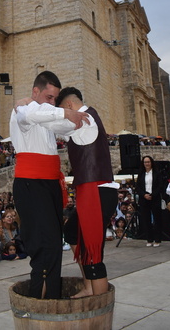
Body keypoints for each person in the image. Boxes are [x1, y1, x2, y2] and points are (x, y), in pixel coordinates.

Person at [10, 71, 89, 299]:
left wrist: (79, 118)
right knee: (44, 248)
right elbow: (34, 113)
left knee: (54, 244)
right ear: (35, 91)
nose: (52, 102)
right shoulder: (23, 110)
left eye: (56, 98)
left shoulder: (45, 115)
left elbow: (63, 125)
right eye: (49, 96)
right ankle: (41, 306)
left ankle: (51, 299)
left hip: (50, 184)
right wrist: (65, 111)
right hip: (31, 184)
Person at [56, 87, 118, 296]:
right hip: (95, 192)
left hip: (97, 193)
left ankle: (97, 300)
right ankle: (89, 286)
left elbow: (59, 127)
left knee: (94, 249)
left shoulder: (85, 120)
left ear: (69, 106)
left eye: (64, 111)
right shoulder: (85, 121)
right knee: (72, 232)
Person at [135, 156, 163, 247]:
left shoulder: (157, 173)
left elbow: (160, 185)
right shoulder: (141, 174)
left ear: (151, 162)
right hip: (144, 198)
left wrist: (153, 194)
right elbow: (138, 187)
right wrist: (144, 195)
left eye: (148, 162)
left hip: (154, 197)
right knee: (146, 219)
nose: (147, 164)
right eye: (145, 162)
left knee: (157, 219)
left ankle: (158, 239)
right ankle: (149, 239)